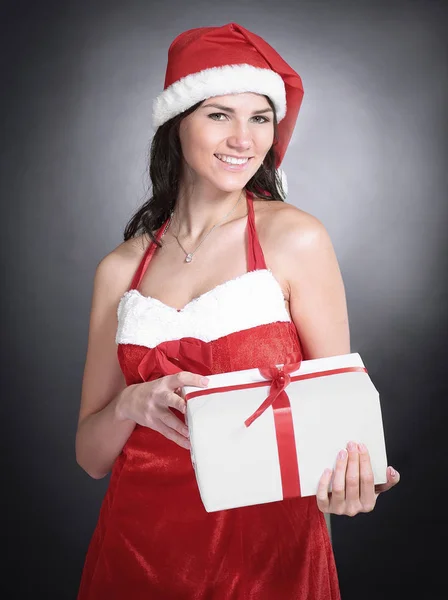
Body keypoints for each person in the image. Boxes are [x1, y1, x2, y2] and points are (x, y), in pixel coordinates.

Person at [76, 22, 400, 600]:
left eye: (260, 118)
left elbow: (344, 432)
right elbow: (91, 457)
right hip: (135, 553)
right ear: (177, 125)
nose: (243, 139)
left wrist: (355, 481)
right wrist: (130, 402)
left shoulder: (296, 239)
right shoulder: (119, 270)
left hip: (267, 561)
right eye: (219, 115)